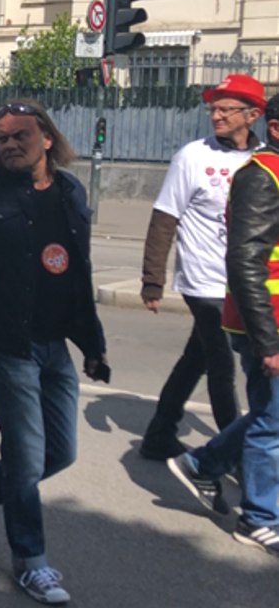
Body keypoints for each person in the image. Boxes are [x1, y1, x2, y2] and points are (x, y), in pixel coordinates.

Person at [0, 98, 108, 605]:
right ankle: (31, 563)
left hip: (55, 344)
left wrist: (93, 346)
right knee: (26, 455)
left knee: (61, 451)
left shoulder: (70, 192)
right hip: (4, 344)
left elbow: (78, 275)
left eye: (21, 136)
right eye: (2, 138)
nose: (10, 144)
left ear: (47, 139)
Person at [167, 91, 279, 558]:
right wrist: (267, 342)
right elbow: (245, 262)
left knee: (269, 415)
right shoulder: (262, 176)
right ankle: (259, 518)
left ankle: (203, 463)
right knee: (272, 422)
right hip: (265, 323)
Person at [138, 74, 265, 460]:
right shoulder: (193, 156)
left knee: (197, 358)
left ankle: (159, 434)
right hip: (204, 280)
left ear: (252, 115)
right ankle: (231, 455)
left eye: (226, 109)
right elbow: (165, 218)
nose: (216, 115)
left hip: (242, 282)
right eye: (213, 108)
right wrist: (152, 280)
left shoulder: (262, 159)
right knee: (222, 365)